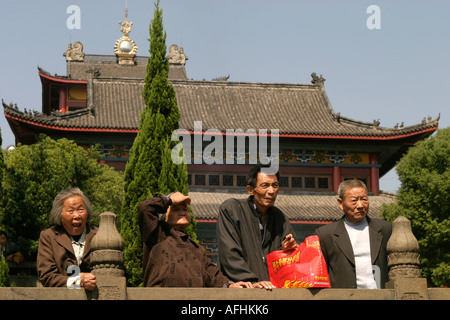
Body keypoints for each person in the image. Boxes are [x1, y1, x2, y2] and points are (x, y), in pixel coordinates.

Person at [139, 191, 252, 288]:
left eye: (185, 209)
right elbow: (145, 208)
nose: (182, 212)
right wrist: (169, 200)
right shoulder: (157, 233)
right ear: (165, 216)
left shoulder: (196, 248)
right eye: (176, 209)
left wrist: (229, 285)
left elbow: (211, 273)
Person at [216, 164, 297, 290]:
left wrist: (286, 251)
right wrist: (252, 281)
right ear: (250, 190)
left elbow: (290, 260)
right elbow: (229, 254)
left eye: (275, 185)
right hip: (241, 289)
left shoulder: (281, 218)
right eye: (265, 185)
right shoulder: (231, 210)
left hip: (272, 290)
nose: (271, 191)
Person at [315, 179, 392, 289]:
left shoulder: (386, 229)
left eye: (364, 199)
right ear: (340, 203)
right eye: (354, 200)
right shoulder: (326, 234)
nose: (360, 205)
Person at [37, 188, 97, 290]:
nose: (77, 215)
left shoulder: (99, 235)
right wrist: (77, 281)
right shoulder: (48, 236)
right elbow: (47, 277)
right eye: (70, 211)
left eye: (81, 209)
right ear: (59, 214)